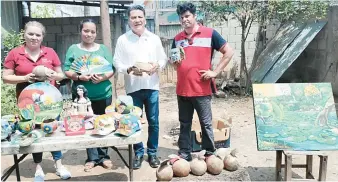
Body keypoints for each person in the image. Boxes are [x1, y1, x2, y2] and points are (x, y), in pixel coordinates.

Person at [2, 21, 71, 181]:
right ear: (24, 34)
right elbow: (6, 78)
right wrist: (25, 78)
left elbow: (61, 75)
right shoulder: (15, 53)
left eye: (38, 35)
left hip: (50, 104)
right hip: (27, 104)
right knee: (34, 133)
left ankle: (59, 165)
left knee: (53, 132)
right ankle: (38, 168)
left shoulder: (50, 52)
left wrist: (54, 75)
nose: (34, 37)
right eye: (30, 34)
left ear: (42, 37)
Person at [171, 2, 234, 161]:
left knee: (205, 123)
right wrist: (175, 63)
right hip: (183, 89)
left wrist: (215, 72)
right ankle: (184, 152)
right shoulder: (177, 39)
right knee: (184, 123)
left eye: (187, 16)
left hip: (201, 89)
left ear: (194, 16)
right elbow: (175, 62)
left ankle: (209, 152)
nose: (184, 19)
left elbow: (228, 51)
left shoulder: (210, 33)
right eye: (182, 17)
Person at [113, 5, 167, 169]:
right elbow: (117, 62)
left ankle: (152, 153)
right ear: (128, 20)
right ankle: (138, 153)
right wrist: (128, 69)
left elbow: (163, 59)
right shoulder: (123, 39)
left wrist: (157, 65)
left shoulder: (154, 38)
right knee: (133, 122)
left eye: (139, 17)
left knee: (154, 122)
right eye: (133, 17)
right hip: (133, 88)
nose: (137, 20)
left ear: (145, 18)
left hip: (152, 86)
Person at [63, 19, 115, 172]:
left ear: (96, 33)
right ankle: (92, 158)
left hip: (103, 93)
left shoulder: (103, 49)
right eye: (86, 31)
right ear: (81, 31)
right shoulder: (73, 49)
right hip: (81, 98)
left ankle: (104, 156)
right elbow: (67, 70)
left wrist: (103, 77)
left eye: (92, 31)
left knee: (104, 123)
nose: (89, 34)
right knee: (85, 126)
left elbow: (111, 68)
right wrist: (79, 77)